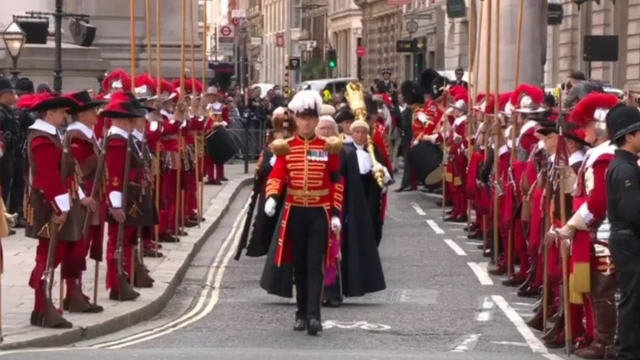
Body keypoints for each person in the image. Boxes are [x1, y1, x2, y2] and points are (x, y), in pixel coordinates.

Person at [263, 90, 343, 335]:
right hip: (295, 211)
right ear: (296, 120)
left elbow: (336, 181)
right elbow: (277, 176)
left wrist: (336, 212)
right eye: (302, 118)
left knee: (314, 264)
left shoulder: (329, 148)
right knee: (298, 264)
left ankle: (314, 316)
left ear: (317, 120)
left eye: (311, 118)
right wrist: (272, 197)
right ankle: (300, 313)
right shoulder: (285, 148)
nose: (306, 122)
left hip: (319, 212)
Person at [23, 92, 86, 328]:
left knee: (53, 254)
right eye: (61, 112)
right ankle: (42, 305)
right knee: (48, 255)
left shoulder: (51, 136)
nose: (64, 116)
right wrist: (61, 207)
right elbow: (49, 177)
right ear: (49, 113)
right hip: (50, 206)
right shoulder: (42, 140)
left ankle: (43, 305)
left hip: (57, 203)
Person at [65, 90, 107, 313]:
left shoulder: (88, 135)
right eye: (92, 110)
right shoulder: (76, 138)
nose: (96, 114)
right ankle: (72, 292)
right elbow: (74, 172)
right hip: (84, 196)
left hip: (93, 194)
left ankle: (77, 290)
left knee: (85, 243)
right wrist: (82, 197)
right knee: (77, 245)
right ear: (81, 114)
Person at [606, 104, 640, 360]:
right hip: (630, 239)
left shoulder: (624, 165)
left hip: (626, 238)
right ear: (629, 136)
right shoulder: (625, 169)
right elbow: (634, 212)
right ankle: (628, 352)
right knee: (633, 299)